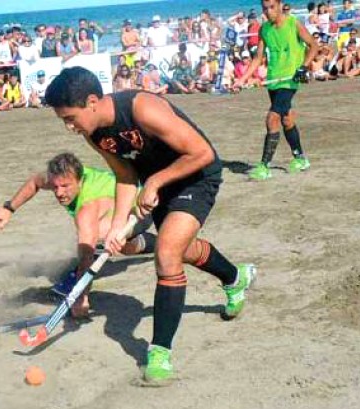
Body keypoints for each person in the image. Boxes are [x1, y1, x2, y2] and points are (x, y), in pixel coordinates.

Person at [44, 67, 256, 385]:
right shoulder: (94, 133)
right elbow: (126, 174)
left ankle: (159, 352)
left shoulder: (142, 108)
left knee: (168, 251)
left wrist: (155, 181)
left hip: (196, 175)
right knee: (182, 248)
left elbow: (202, 153)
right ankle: (234, 278)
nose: (69, 127)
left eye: (70, 118)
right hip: (158, 186)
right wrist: (117, 225)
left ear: (91, 101)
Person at [0, 152, 155, 312]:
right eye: (55, 187)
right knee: (123, 246)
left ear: (80, 180)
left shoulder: (87, 206)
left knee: (97, 238)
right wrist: (9, 208)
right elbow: (35, 182)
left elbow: (86, 253)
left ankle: (75, 280)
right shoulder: (60, 177)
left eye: (65, 186)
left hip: (140, 210)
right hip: (118, 210)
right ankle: (155, 244)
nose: (59, 193)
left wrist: (80, 296)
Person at [235, 0, 319, 181]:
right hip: (274, 79)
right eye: (264, 8)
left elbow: (313, 46)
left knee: (272, 118)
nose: (268, 11)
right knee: (287, 119)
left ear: (280, 5)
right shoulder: (264, 29)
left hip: (290, 80)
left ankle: (264, 166)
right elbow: (258, 58)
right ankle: (300, 158)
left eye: (272, 7)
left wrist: (303, 67)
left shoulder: (293, 23)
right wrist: (242, 79)